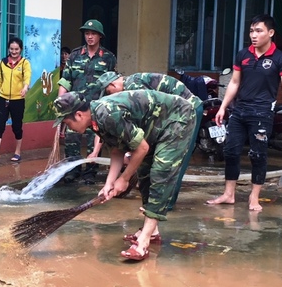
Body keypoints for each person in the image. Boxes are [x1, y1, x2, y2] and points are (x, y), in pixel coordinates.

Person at [52, 90, 198, 261]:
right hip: (155, 125)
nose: (68, 128)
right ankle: (152, 232)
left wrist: (124, 179)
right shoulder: (95, 120)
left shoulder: (107, 115)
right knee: (144, 173)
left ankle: (143, 243)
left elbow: (141, 148)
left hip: (177, 117)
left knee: (161, 172)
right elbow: (117, 149)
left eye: (67, 123)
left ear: (78, 114)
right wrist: (109, 183)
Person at [207, 14, 282, 211]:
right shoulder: (243, 55)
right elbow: (235, 82)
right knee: (230, 151)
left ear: (270, 33)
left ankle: (254, 198)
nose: (253, 35)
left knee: (258, 154)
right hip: (239, 111)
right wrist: (223, 107)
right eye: (251, 31)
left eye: (259, 31)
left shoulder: (281, 59)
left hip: (263, 113)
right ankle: (229, 194)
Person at [87, 71, 204, 212]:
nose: (109, 96)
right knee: (150, 161)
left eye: (108, 92)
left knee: (172, 161)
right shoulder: (127, 88)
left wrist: (131, 157)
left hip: (186, 110)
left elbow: (150, 116)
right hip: (169, 115)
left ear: (113, 84)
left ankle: (165, 204)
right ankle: (154, 203)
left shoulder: (133, 88)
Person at [58, 19, 117, 184]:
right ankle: (72, 171)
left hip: (96, 108)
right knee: (72, 139)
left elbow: (112, 84)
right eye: (87, 33)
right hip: (76, 107)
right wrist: (60, 103)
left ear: (100, 36)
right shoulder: (75, 55)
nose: (89, 37)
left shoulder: (108, 58)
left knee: (95, 139)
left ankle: (90, 172)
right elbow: (65, 81)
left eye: (93, 34)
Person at [0, 37, 32, 164]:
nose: (14, 51)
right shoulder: (3, 63)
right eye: (12, 49)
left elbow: (27, 77)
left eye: (16, 49)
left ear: (21, 49)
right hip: (3, 98)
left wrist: (25, 88)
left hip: (18, 100)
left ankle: (17, 152)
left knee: (17, 127)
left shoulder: (24, 63)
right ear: (8, 49)